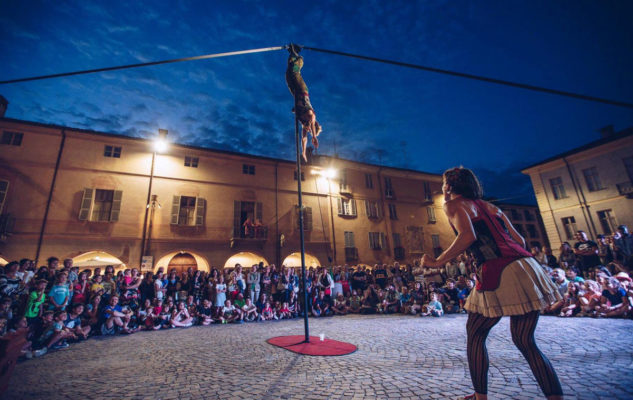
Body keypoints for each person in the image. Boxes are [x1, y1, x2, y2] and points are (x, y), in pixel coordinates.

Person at [420, 167, 563, 400]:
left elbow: (467, 236)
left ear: (449, 186)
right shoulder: (491, 206)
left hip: (498, 268)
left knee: (475, 334)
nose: (442, 187)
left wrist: (437, 262)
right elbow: (520, 240)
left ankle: (480, 397)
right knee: (526, 341)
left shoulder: (455, 206)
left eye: (444, 183)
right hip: (525, 265)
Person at [285, 44, 322, 162]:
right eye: (311, 130)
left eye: (310, 131)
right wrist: (315, 137)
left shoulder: (305, 125)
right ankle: (299, 58)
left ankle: (293, 56)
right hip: (302, 90)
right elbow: (311, 117)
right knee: (295, 73)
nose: (308, 130)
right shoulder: (312, 117)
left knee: (288, 76)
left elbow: (303, 139)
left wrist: (304, 152)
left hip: (296, 94)